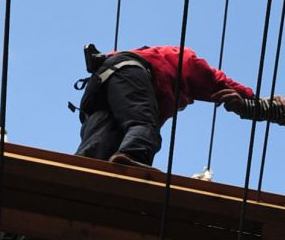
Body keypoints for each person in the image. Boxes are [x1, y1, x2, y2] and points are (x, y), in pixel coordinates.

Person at [75, 43, 264, 168]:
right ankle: (132, 159)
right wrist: (252, 99)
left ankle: (85, 166)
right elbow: (213, 79)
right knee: (143, 125)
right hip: (130, 70)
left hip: (100, 82)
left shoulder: (157, 95)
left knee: (104, 130)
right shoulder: (177, 61)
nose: (184, 105)